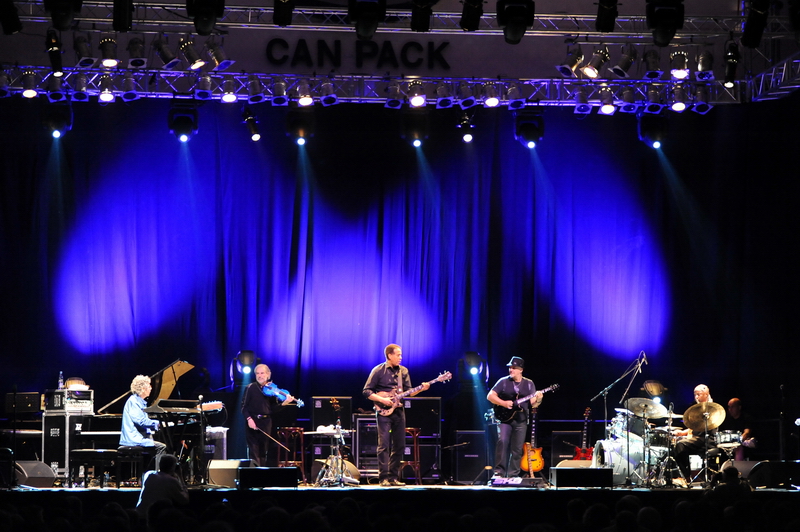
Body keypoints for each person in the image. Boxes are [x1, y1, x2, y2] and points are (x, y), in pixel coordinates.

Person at [363, 343, 430, 486]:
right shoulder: (378, 371)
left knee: (400, 445)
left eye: (401, 354)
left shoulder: (403, 371)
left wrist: (422, 389)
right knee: (384, 445)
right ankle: (383, 478)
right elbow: (367, 391)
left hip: (399, 411)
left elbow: (409, 392)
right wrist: (382, 400)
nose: (401, 357)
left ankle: (393, 478)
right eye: (398, 355)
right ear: (389, 355)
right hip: (383, 412)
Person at [486, 356, 543, 478]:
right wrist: (504, 403)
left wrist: (539, 398)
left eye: (514, 368)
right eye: (510, 367)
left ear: (521, 370)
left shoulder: (529, 384)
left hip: (521, 420)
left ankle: (513, 475)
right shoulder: (503, 381)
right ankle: (499, 473)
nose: (511, 370)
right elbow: (490, 396)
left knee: (517, 449)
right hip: (504, 419)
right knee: (503, 442)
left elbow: (533, 403)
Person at [241, 363, 296, 467]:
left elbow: (273, 409)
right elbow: (243, 406)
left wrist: (284, 403)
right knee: (253, 451)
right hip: (252, 422)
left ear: (268, 375)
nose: (260, 376)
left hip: (266, 422)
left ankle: (261, 477)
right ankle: (253, 477)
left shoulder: (272, 390)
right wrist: (249, 419)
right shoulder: (250, 387)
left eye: (262, 373)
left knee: (263, 451)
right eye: (257, 373)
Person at [673, 384, 719, 484]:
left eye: (699, 394)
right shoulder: (698, 408)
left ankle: (685, 477)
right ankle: (682, 475)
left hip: (708, 438)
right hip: (698, 438)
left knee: (681, 445)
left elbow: (704, 427)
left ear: (706, 394)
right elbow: (694, 426)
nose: (696, 397)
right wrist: (682, 433)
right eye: (695, 395)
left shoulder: (712, 408)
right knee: (677, 443)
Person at [120, 375, 166, 461]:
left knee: (159, 445)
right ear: (143, 388)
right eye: (149, 385)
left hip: (139, 438)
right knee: (162, 447)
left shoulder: (139, 402)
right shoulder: (133, 401)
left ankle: (151, 472)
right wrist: (158, 423)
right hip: (134, 440)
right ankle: (158, 473)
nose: (151, 388)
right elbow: (141, 421)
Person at [135, 454, 189, 523]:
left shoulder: (148, 474)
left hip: (140, 514)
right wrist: (180, 477)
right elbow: (185, 500)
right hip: (156, 518)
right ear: (173, 467)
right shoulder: (171, 481)